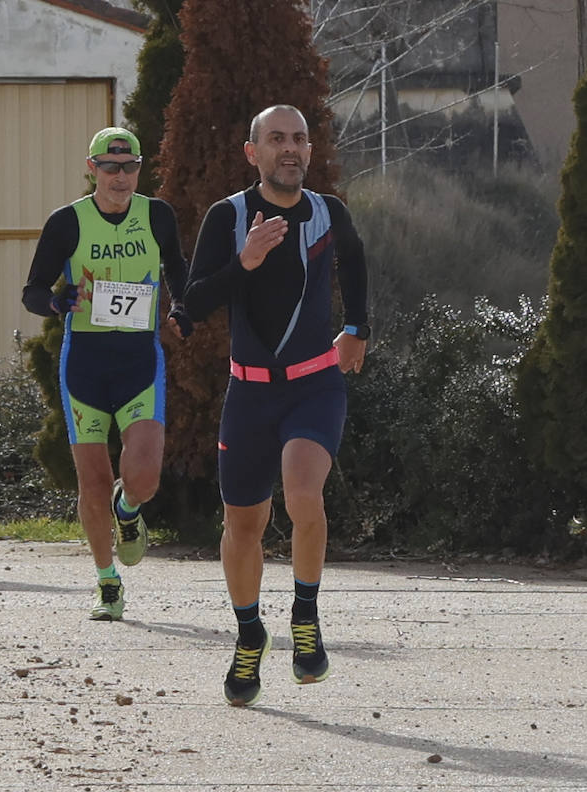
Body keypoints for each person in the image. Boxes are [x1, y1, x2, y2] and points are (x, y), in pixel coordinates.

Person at [183, 105, 369, 706]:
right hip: (250, 391)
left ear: (309, 151)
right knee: (243, 524)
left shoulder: (326, 211)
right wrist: (246, 262)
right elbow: (194, 302)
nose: (290, 149)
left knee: (302, 491)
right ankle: (248, 633)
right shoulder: (229, 217)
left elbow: (357, 261)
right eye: (277, 139)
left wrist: (358, 327)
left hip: (315, 384)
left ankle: (306, 616)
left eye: (299, 139)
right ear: (253, 152)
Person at [21, 127, 192, 621]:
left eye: (130, 167)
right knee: (92, 482)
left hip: (139, 361)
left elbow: (177, 267)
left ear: (140, 169)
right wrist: (57, 302)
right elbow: (32, 291)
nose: (121, 177)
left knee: (144, 477)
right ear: (93, 169)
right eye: (111, 167)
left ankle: (130, 510)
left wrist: (181, 304)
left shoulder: (156, 215)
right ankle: (107, 581)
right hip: (86, 364)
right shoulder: (67, 222)